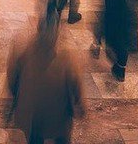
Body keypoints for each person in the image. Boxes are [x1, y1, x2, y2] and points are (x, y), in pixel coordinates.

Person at [7, 10, 86, 144]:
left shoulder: (24, 50)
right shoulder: (67, 57)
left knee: (35, 138)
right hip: (59, 115)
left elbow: (13, 79)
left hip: (33, 115)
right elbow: (75, 85)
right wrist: (80, 106)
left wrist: (16, 98)